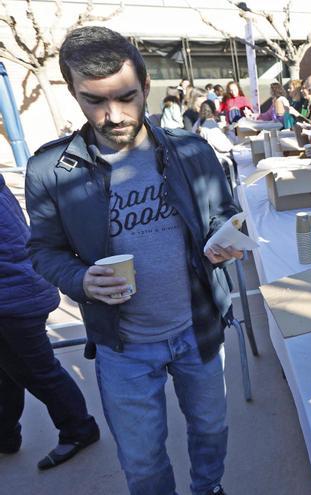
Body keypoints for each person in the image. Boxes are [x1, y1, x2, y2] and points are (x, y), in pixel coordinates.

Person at [25, 26, 240, 495]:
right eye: (94, 101)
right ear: (73, 94)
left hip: (197, 327)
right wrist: (81, 279)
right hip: (121, 345)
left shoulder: (192, 150)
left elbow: (223, 213)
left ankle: (208, 489)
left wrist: (223, 241)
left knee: (211, 431)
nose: (113, 115)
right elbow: (42, 251)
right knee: (142, 465)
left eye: (126, 97)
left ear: (146, 86)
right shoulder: (49, 170)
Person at [0, 173, 101, 470]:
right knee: (8, 372)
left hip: (16, 297)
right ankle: (5, 434)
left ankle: (80, 429)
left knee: (37, 371)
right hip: (18, 292)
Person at [196, 100, 234, 166]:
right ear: (214, 111)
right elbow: (226, 146)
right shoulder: (210, 127)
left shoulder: (198, 124)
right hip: (220, 162)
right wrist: (229, 132)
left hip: (205, 160)